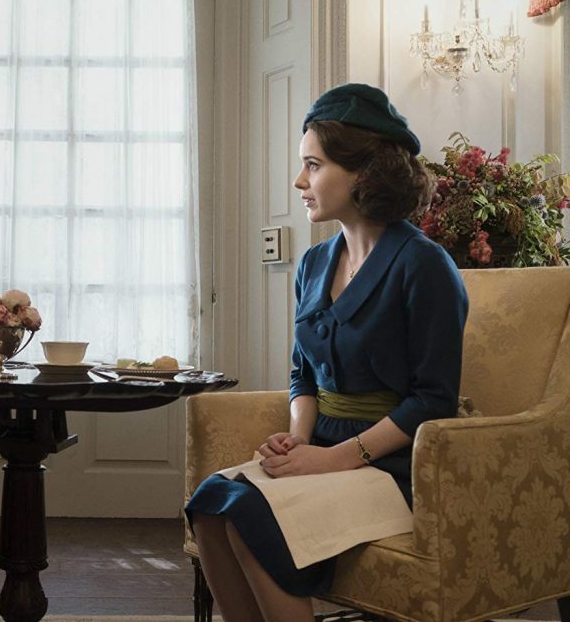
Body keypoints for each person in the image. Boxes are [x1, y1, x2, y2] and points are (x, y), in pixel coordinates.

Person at [186, 84, 468, 622]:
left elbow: (433, 400)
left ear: (363, 174)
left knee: (249, 518)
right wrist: (297, 435)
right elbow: (303, 375)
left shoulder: (424, 265)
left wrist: (332, 459)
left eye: (312, 166)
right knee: (209, 504)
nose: (299, 182)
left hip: (394, 465)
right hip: (324, 449)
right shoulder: (313, 265)